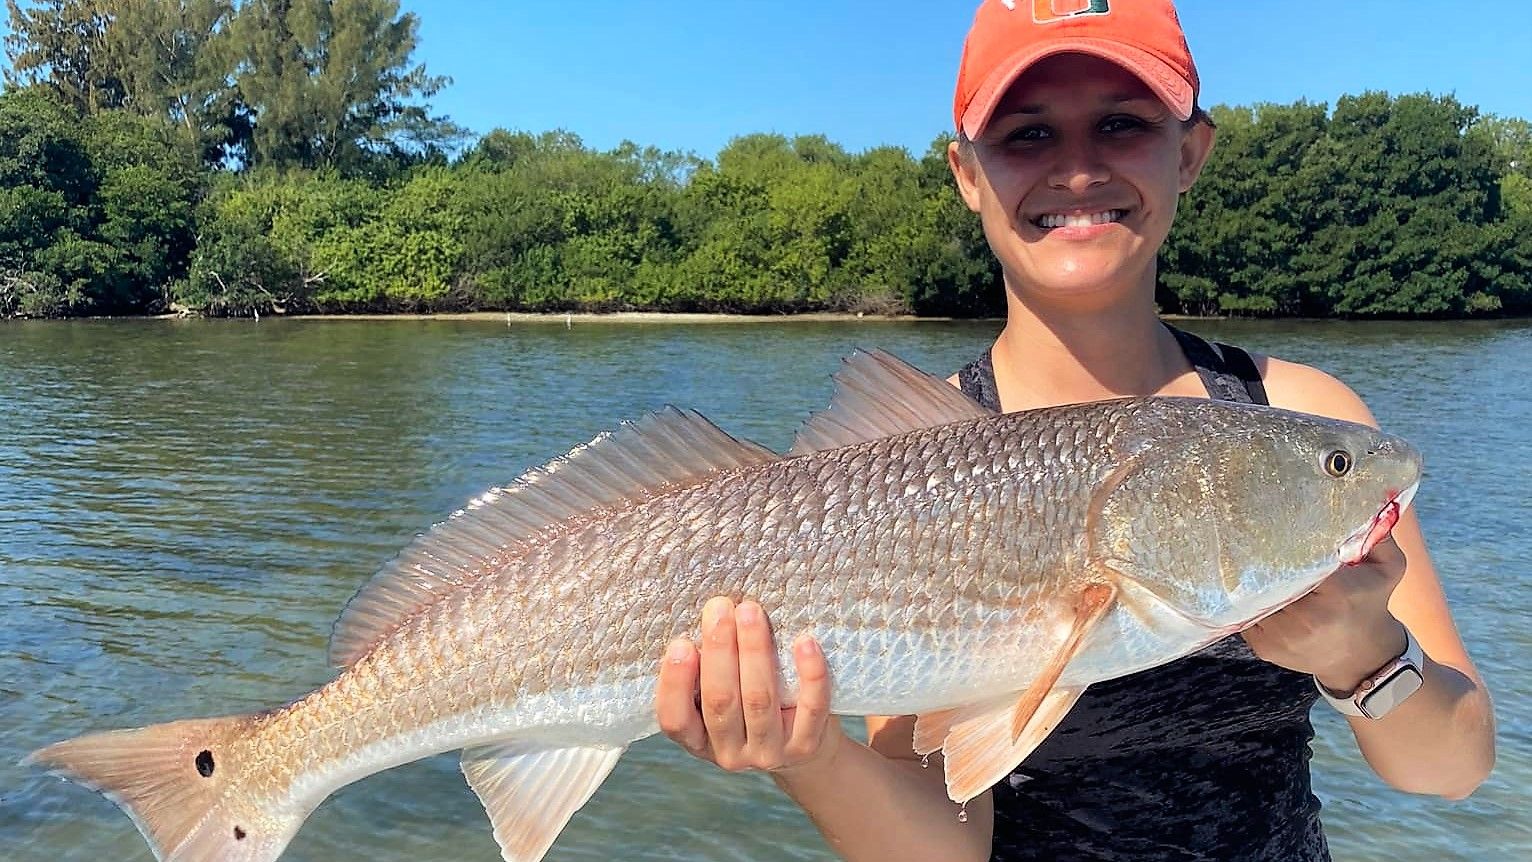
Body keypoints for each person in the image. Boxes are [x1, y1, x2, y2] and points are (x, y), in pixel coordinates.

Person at [654, 1, 1496, 859]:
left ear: (1191, 151)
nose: (1080, 169)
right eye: (1027, 135)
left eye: (1122, 124)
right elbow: (944, 848)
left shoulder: (1296, 412)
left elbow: (1454, 769)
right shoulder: (906, 466)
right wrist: (807, 749)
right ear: (967, 173)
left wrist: (1366, 655)